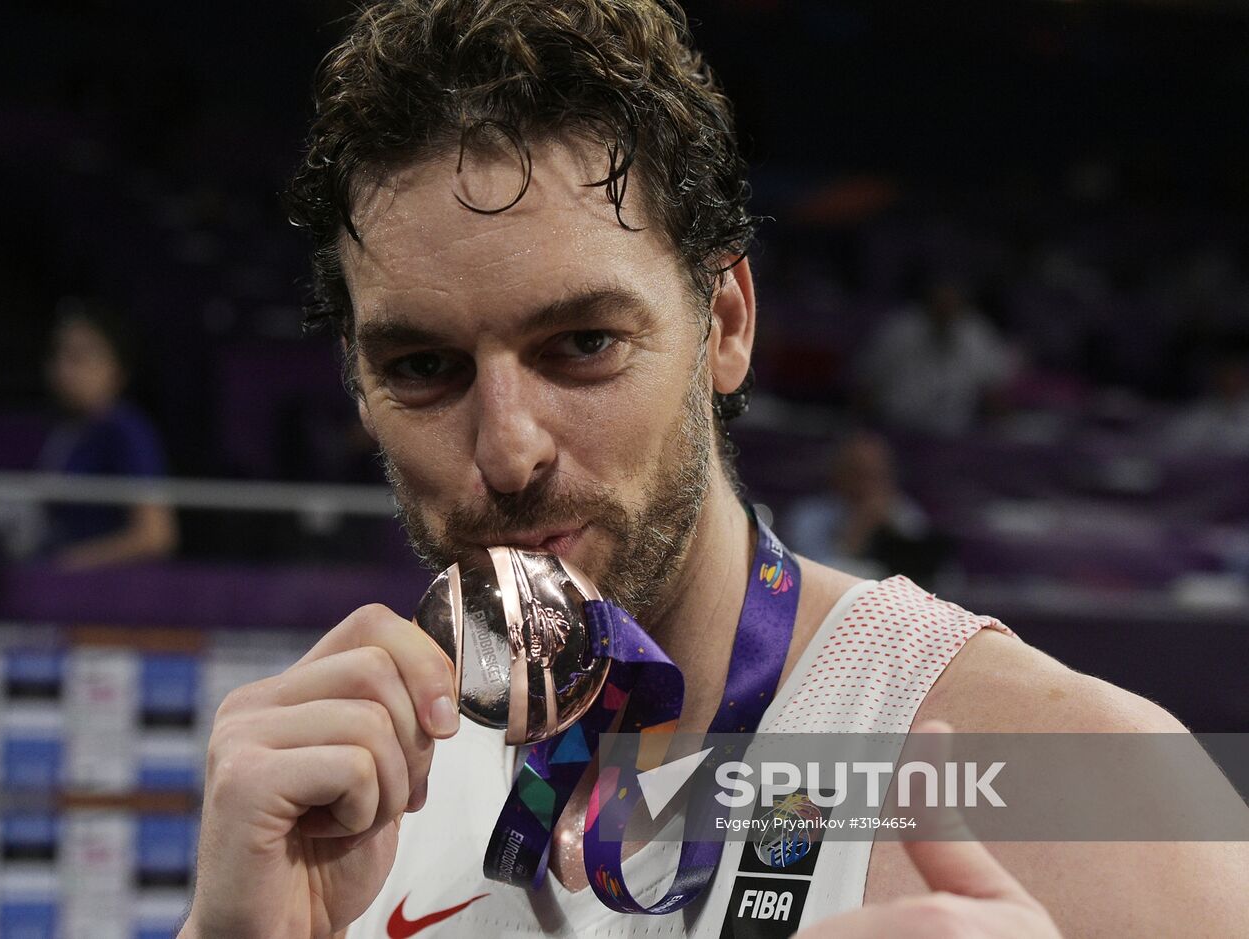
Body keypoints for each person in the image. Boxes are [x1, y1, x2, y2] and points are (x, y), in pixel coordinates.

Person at [179, 3, 1247, 937]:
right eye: (422, 367)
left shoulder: (1076, 781)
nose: (507, 450)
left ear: (724, 324)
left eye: (582, 345)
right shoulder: (356, 798)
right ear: (361, 391)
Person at [39, 300, 178, 568]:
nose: (63, 368)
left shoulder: (126, 430)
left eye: (79, 357)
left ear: (116, 370)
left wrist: (69, 563)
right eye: (59, 354)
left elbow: (156, 535)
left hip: (107, 593)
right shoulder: (64, 429)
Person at [852, 273, 1014, 436]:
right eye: (940, 303)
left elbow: (993, 392)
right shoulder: (898, 330)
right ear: (928, 302)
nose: (945, 309)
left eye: (952, 304)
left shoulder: (976, 334)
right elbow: (867, 383)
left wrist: (1005, 428)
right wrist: (858, 427)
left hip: (953, 434)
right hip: (897, 429)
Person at [784, 431, 946, 586]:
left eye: (877, 474)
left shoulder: (903, 513)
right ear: (838, 473)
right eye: (859, 473)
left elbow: (929, 576)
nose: (867, 483)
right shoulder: (810, 515)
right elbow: (810, 579)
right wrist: (858, 530)